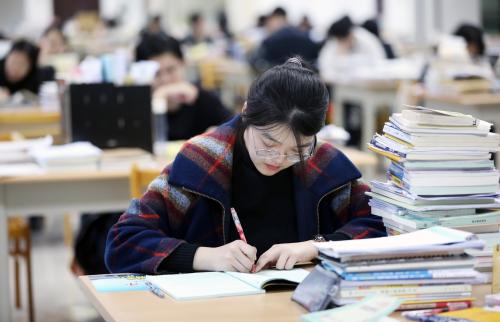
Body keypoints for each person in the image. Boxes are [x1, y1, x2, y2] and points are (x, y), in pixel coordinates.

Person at [105, 57, 385, 274]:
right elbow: (123, 242)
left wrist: (316, 247)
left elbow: (384, 226)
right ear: (247, 111)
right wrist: (205, 257)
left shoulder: (321, 162)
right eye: (268, 143)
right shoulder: (201, 162)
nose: (277, 159)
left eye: (296, 150)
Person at [136, 33, 232, 140]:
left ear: (183, 64)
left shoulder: (201, 97)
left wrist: (219, 132)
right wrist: (159, 96)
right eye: (156, 73)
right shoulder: (137, 108)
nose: (165, 79)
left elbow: (236, 128)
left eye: (171, 70)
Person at [249, 7, 320, 73]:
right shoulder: (304, 36)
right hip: (304, 79)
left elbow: (255, 61)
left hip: (277, 79)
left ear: (275, 19)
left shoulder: (270, 40)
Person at [318, 16, 386, 82]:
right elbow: (325, 68)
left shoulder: (365, 39)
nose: (343, 43)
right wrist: (341, 57)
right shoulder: (334, 43)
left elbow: (380, 61)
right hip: (343, 86)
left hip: (369, 84)